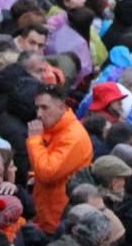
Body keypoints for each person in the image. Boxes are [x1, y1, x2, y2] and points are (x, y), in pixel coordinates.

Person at [26, 88, 94, 231]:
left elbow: (48, 173)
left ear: (61, 107)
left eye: (44, 108)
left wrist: (34, 141)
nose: (39, 114)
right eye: (37, 108)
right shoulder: (53, 129)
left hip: (58, 221)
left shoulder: (73, 137)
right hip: (46, 216)